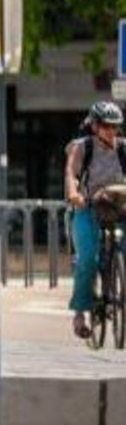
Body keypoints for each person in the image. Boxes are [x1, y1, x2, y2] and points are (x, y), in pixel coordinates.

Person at [66, 100, 126, 339]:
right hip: (87, 207)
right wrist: (74, 193)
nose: (111, 131)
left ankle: (117, 283)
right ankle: (80, 313)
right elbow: (71, 172)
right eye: (106, 126)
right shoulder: (82, 147)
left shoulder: (123, 148)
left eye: (115, 126)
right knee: (88, 258)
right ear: (94, 127)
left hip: (118, 208)